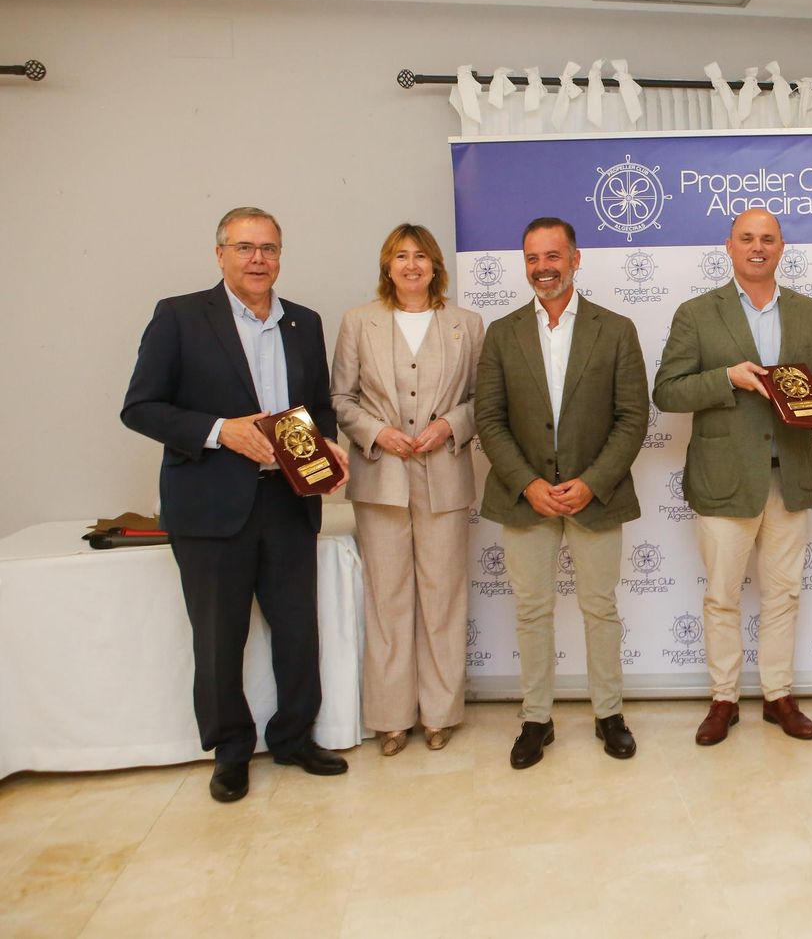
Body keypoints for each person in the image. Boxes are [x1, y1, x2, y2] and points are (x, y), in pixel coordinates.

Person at [122, 206, 351, 803]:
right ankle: (230, 749)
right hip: (211, 505)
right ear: (219, 253)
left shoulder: (304, 322)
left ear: (280, 255)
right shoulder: (178, 317)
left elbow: (316, 407)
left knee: (298, 629)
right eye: (245, 247)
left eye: (269, 248)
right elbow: (141, 407)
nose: (258, 259)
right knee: (220, 637)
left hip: (288, 500)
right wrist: (221, 429)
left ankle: (295, 738)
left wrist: (326, 445)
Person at [653, 208, 812, 746]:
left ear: (782, 248)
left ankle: (778, 695)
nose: (757, 247)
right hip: (723, 478)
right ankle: (723, 699)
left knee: (784, 593)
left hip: (790, 477)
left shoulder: (810, 312)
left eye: (768, 239)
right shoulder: (696, 313)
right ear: (729, 246)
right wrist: (726, 378)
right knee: (722, 595)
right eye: (747, 238)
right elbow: (666, 391)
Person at [475, 217, 648, 769]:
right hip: (524, 497)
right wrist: (527, 483)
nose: (542, 267)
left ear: (576, 259)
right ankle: (535, 718)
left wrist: (592, 482)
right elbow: (489, 419)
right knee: (531, 611)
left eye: (553, 256)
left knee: (600, 608)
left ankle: (609, 713)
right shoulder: (501, 333)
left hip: (596, 495)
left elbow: (632, 418)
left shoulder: (616, 329)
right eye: (532, 258)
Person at [331, 224, 484, 756]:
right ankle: (391, 718)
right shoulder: (358, 323)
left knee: (443, 597)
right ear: (387, 265)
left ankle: (441, 713)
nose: (412, 265)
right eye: (401, 256)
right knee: (388, 599)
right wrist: (377, 433)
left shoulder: (466, 324)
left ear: (436, 265)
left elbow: (482, 399)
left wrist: (449, 426)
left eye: (421, 255)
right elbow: (341, 399)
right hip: (382, 478)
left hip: (444, 473)